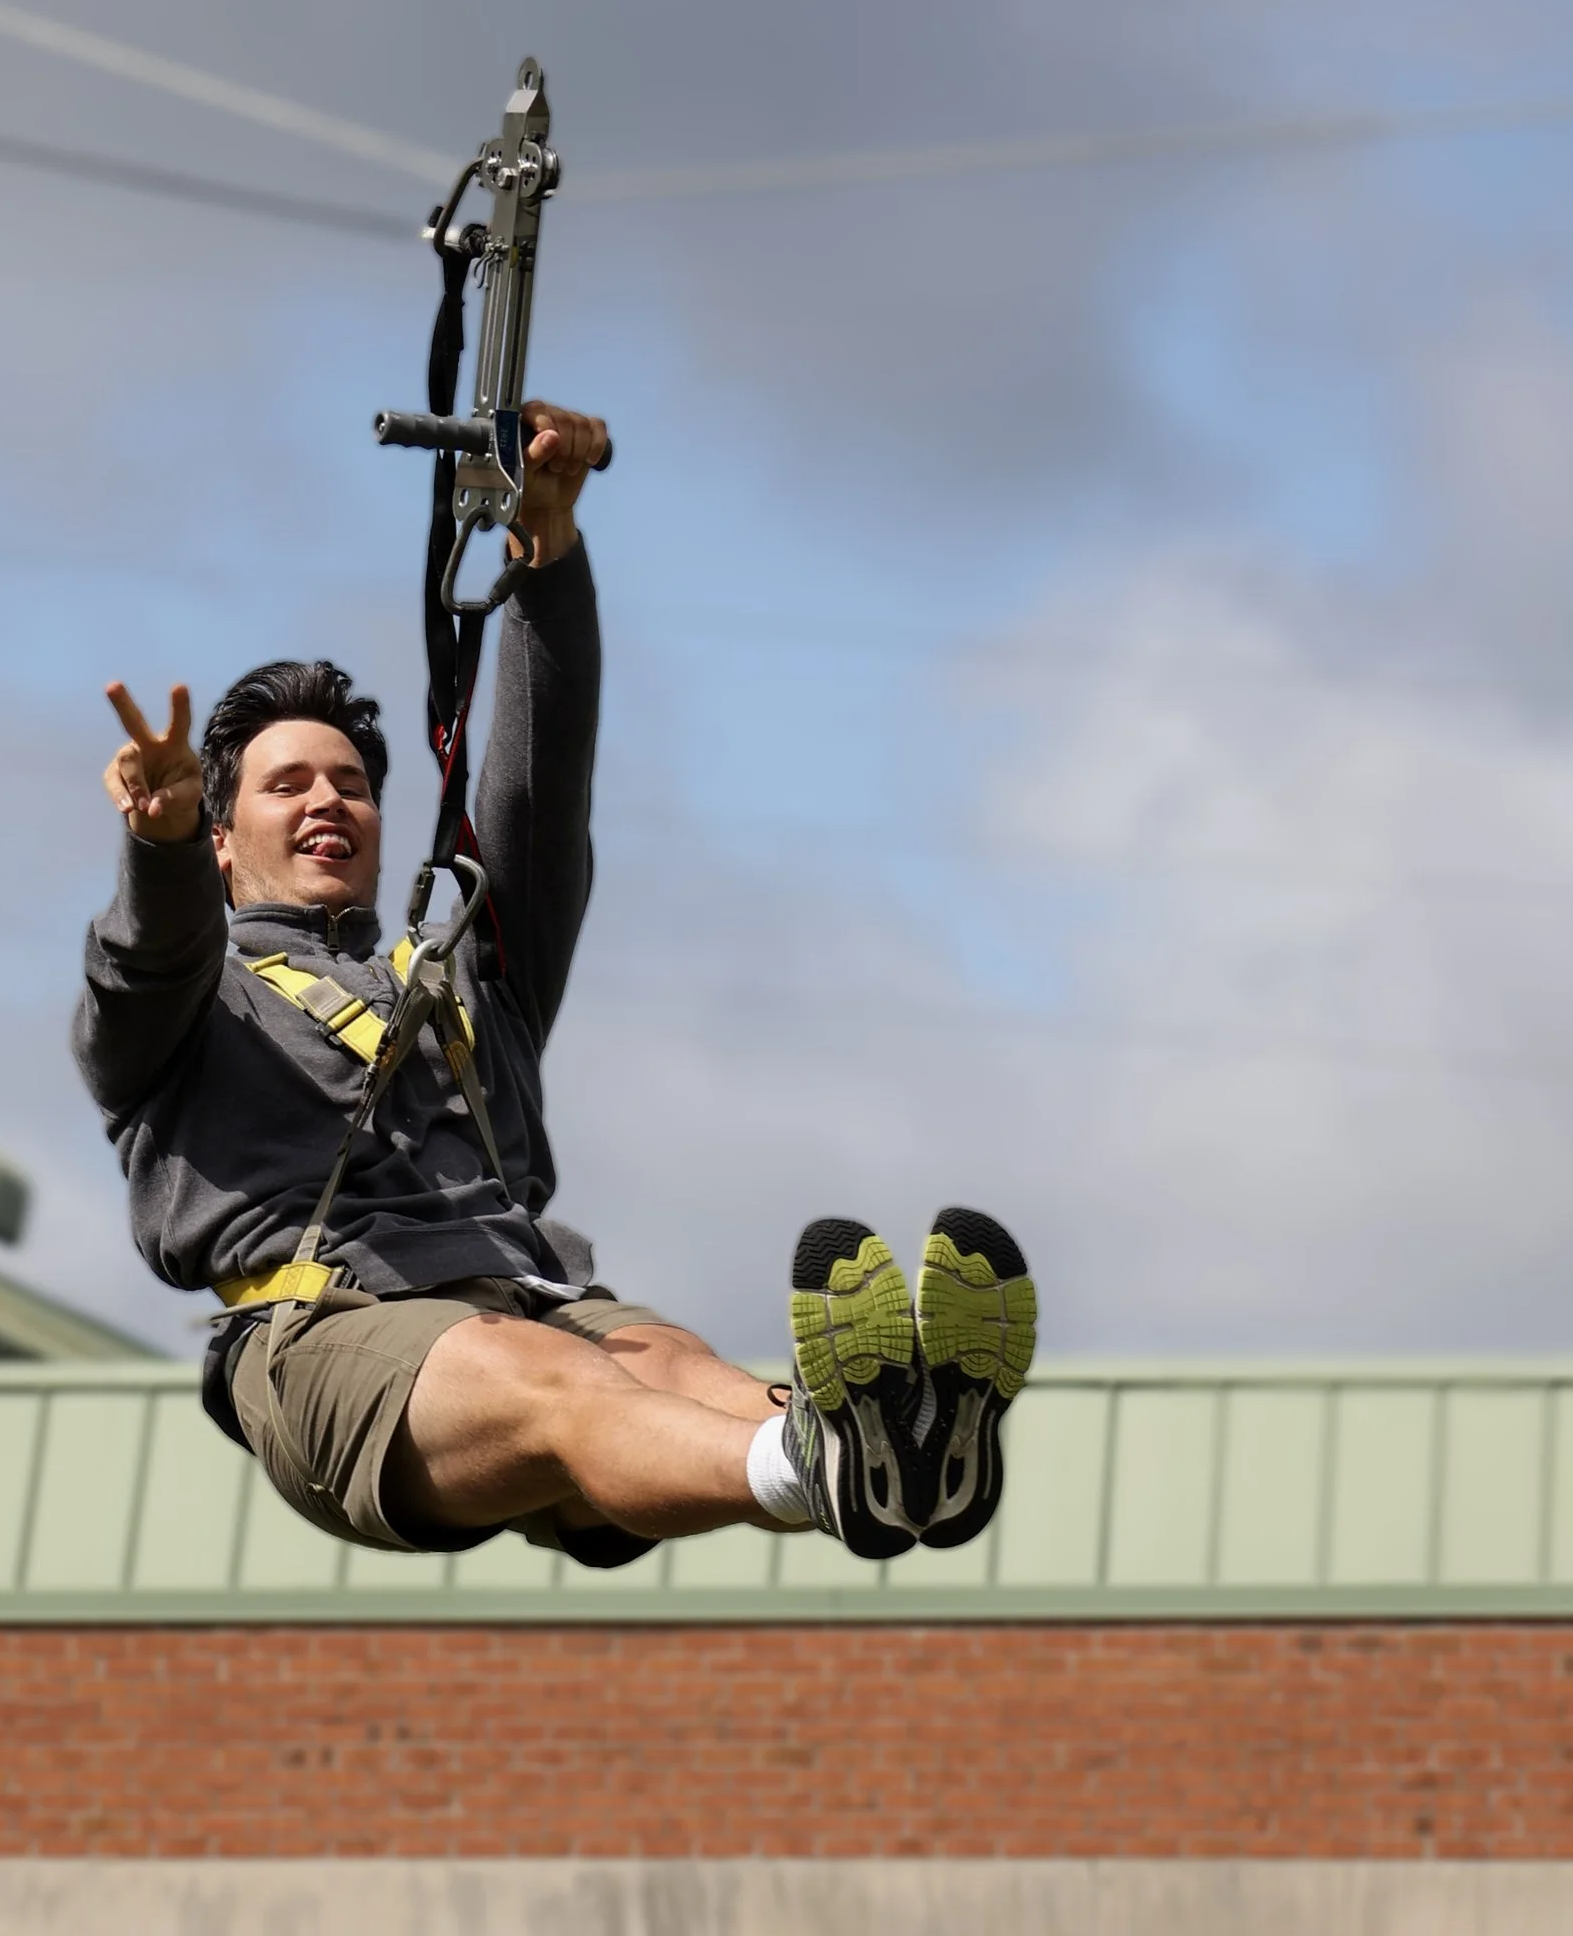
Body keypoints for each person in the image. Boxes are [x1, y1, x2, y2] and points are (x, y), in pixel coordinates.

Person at [72, 399, 1037, 1567]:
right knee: (544, 1375)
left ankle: (902, 1463)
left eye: (350, 782)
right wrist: (161, 843)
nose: (327, 799)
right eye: (286, 785)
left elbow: (537, 798)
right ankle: (818, 1468)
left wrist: (547, 552)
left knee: (669, 1362)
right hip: (329, 1338)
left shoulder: (462, 979)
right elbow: (146, 958)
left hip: (530, 1296)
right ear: (225, 839)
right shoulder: (189, 1005)